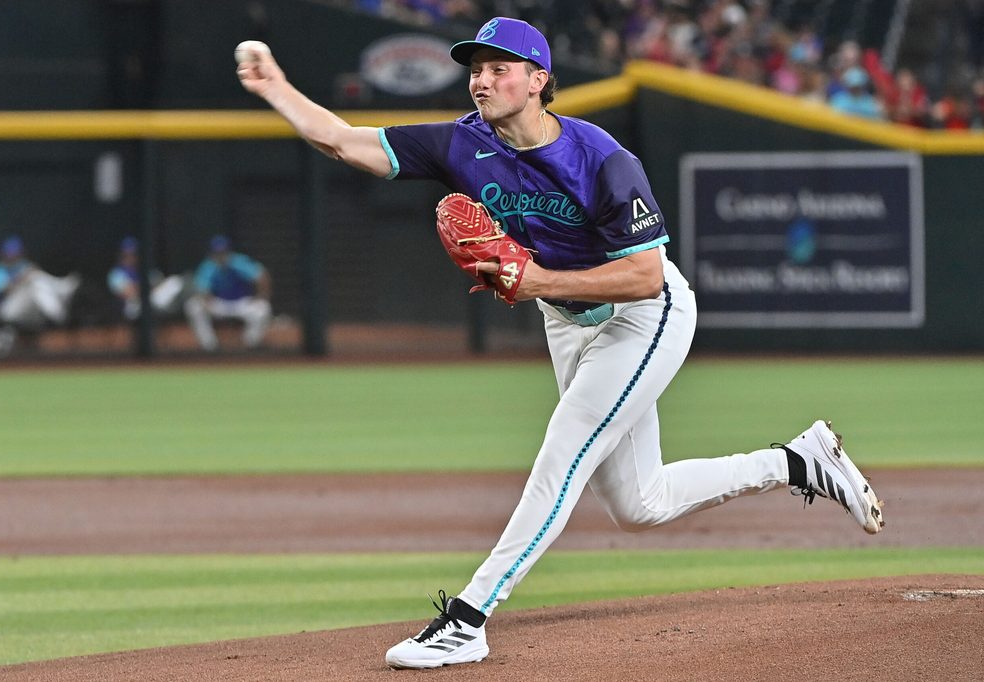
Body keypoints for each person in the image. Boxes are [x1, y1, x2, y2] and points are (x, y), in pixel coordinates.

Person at [236, 17, 885, 669]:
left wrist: (540, 278)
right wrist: (277, 87)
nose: (481, 80)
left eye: (498, 68)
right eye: (475, 69)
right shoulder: (462, 144)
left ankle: (469, 616)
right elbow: (345, 142)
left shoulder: (600, 157)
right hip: (567, 321)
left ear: (538, 80)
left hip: (644, 316)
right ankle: (798, 462)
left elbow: (646, 274)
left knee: (562, 456)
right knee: (640, 504)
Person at [0, 236, 81, 357]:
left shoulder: (24, 266)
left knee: (37, 282)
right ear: (3, 254)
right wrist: (22, 279)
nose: (13, 256)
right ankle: (61, 297)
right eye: (10, 253)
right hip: (7, 311)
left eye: (15, 253)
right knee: (35, 279)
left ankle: (59, 303)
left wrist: (27, 275)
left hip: (31, 312)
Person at [184, 235, 271, 350]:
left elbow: (262, 276)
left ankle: (249, 345)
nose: (221, 256)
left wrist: (261, 296)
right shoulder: (208, 265)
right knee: (193, 306)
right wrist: (206, 300)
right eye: (217, 252)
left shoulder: (239, 261)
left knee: (263, 308)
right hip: (219, 304)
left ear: (229, 251)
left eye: (223, 252)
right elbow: (202, 289)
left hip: (241, 303)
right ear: (212, 253)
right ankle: (209, 346)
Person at [107, 236, 186, 321]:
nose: (131, 257)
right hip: (133, 306)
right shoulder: (116, 274)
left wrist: (143, 286)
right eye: (128, 254)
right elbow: (129, 293)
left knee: (175, 281)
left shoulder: (143, 270)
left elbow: (160, 282)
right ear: (122, 255)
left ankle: (175, 308)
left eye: (134, 254)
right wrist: (148, 286)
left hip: (151, 299)